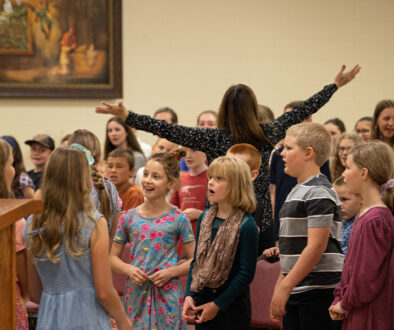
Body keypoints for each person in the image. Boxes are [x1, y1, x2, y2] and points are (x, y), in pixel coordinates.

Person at [96, 64, 361, 248]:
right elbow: (303, 109)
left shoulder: (212, 137)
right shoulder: (266, 132)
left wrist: (127, 116)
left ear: (224, 109)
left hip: (219, 220)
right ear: (252, 109)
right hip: (260, 220)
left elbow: (166, 129)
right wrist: (335, 85)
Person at [23, 147, 132, 330]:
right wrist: (123, 320)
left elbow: (34, 291)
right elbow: (104, 291)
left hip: (49, 317)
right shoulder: (93, 223)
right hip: (87, 316)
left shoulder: (32, 223)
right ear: (83, 179)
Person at [110, 149, 195, 329]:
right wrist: (129, 269)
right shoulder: (128, 217)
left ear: (170, 182)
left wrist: (171, 272)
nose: (148, 180)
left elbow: (195, 260)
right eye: (146, 174)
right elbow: (112, 259)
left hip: (168, 295)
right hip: (136, 294)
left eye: (156, 176)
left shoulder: (179, 219)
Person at [270, 122, 343, 330]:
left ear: (308, 153)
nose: (282, 153)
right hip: (297, 287)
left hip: (316, 291)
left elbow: (316, 246)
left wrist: (285, 287)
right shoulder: (297, 190)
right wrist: (280, 287)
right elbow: (291, 250)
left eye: (289, 148)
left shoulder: (318, 190)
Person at [182, 156, 258, 329]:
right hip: (203, 299)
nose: (210, 183)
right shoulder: (205, 217)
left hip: (231, 306)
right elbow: (196, 261)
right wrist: (189, 295)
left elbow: (246, 273)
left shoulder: (247, 225)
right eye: (210, 178)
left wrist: (217, 305)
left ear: (236, 185)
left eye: (219, 179)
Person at [329, 141, 394, 330]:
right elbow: (351, 267)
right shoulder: (364, 214)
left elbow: (366, 277)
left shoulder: (376, 219)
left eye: (348, 168)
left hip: (370, 314)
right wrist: (340, 296)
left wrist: (346, 302)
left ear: (364, 173)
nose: (343, 174)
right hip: (356, 308)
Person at [270, 101, 326, 240]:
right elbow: (274, 190)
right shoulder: (278, 154)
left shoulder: (319, 156)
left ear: (309, 121)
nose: (290, 123)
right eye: (287, 118)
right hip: (283, 219)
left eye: (295, 118)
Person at [69, 129, 121, 239]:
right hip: (104, 252)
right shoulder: (110, 188)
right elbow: (114, 232)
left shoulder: (65, 185)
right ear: (99, 156)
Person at [0, 139, 29, 329]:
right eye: (11, 164)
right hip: (7, 298)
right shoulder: (13, 219)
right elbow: (21, 268)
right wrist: (27, 296)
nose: (13, 170)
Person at [227, 143, 276, 255]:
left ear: (252, 175)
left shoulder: (254, 205)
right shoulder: (219, 199)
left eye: (236, 168)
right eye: (227, 164)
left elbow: (244, 246)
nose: (229, 171)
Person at [170, 147, 208, 257]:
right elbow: (172, 208)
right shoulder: (181, 179)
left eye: (194, 150)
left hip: (203, 238)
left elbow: (223, 213)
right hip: (183, 240)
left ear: (205, 154)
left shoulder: (212, 178)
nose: (188, 155)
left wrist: (200, 214)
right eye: (185, 151)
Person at [332, 176, 363, 256]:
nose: (339, 205)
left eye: (344, 199)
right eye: (336, 199)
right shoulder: (338, 221)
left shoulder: (362, 224)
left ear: (362, 199)